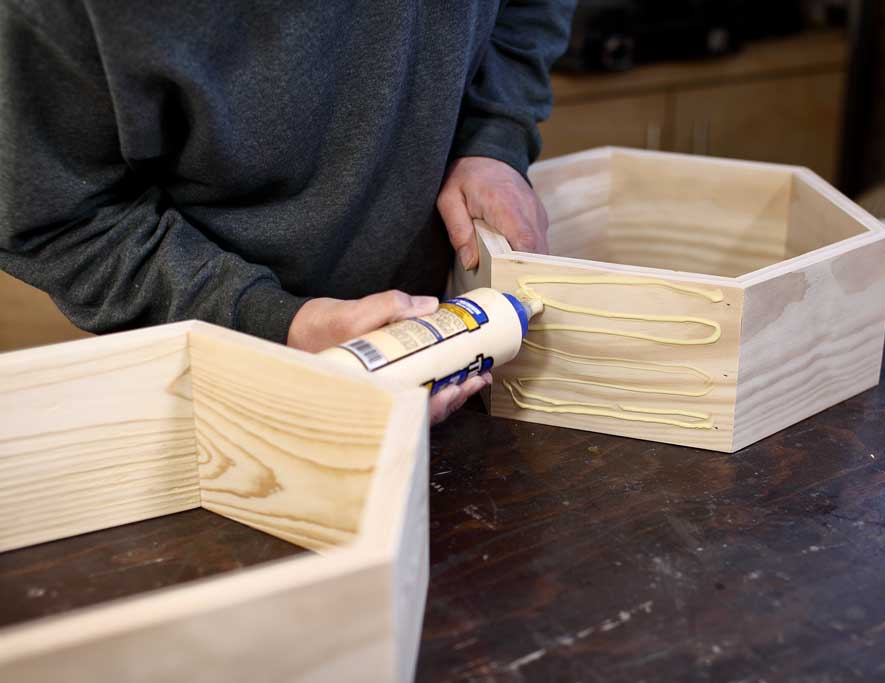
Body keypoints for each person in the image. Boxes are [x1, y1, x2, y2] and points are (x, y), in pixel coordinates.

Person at [0, 1, 574, 422]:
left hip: (433, 370)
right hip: (218, 395)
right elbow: (61, 220)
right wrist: (271, 324)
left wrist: (493, 137)